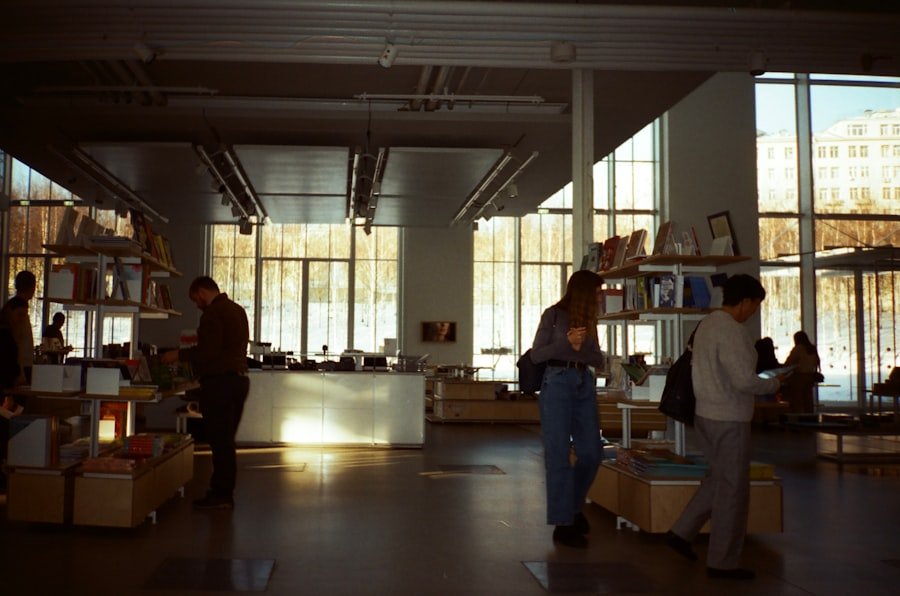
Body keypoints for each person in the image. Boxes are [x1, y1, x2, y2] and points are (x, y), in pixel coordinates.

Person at [664, 274, 784, 580]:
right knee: (733, 491)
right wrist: (773, 383)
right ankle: (723, 562)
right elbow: (743, 380)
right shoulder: (731, 331)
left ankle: (681, 532)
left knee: (719, 479)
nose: (754, 312)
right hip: (729, 418)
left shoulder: (707, 324)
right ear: (745, 301)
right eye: (755, 305)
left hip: (704, 414)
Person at [529, 269, 605, 548]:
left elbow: (597, 359)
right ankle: (563, 524)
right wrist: (567, 343)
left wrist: (581, 348)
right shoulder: (553, 315)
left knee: (592, 453)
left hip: (584, 383)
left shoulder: (589, 322)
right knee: (558, 455)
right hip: (557, 383)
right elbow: (537, 354)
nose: (600, 298)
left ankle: (572, 507)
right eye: (597, 292)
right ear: (584, 292)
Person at [160, 276, 250, 510]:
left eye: (195, 299)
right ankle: (224, 492)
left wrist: (178, 355)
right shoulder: (237, 310)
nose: (196, 304)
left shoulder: (212, 313)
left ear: (201, 292)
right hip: (239, 381)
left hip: (220, 384)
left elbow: (207, 351)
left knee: (219, 443)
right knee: (226, 442)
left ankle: (221, 494)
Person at [6, 271, 36, 385]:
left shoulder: (14, 307)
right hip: (20, 366)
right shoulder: (18, 309)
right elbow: (17, 341)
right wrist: (20, 371)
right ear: (32, 287)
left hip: (21, 364)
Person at [782, 330, 821, 414]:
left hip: (798, 378)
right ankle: (809, 417)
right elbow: (816, 362)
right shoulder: (812, 349)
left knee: (798, 401)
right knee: (808, 400)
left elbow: (789, 362)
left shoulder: (798, 349)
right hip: (810, 377)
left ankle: (799, 417)